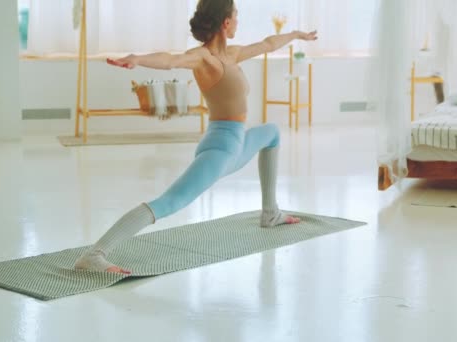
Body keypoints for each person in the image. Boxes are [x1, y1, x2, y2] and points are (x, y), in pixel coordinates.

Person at [74, 0, 317, 274]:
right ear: (226, 23)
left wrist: (297, 34)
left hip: (235, 144)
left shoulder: (232, 55)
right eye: (236, 16)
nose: (238, 21)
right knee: (169, 202)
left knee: (271, 132)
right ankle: (94, 255)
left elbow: (268, 43)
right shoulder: (205, 59)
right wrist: (138, 59)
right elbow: (170, 60)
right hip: (221, 150)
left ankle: (270, 213)